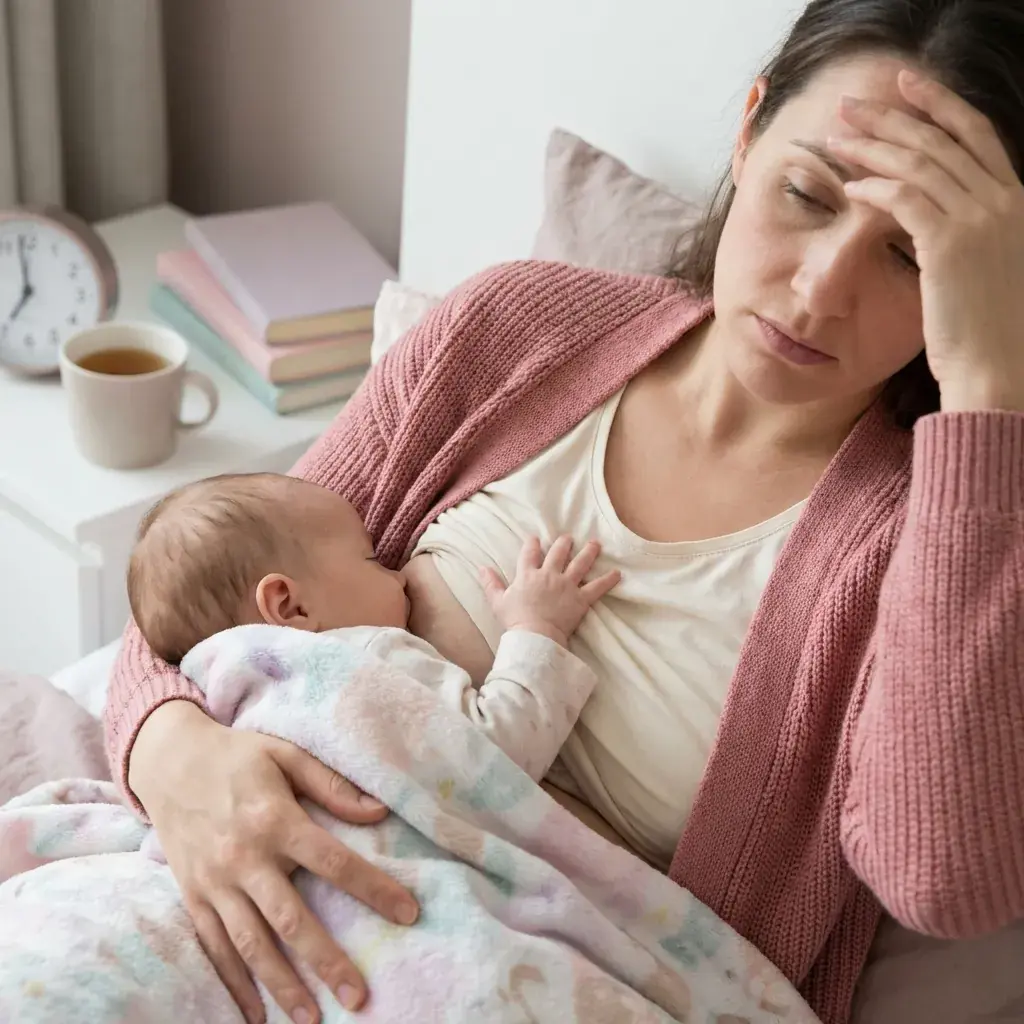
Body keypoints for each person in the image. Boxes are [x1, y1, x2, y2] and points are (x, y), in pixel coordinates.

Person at [105, 1, 1024, 1022]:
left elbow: (944, 880)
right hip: (250, 910)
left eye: (909, 257)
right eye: (805, 194)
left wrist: (986, 388)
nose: (818, 290)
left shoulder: (946, 538)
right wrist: (173, 753)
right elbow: (202, 604)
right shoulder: (511, 329)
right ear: (749, 128)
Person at [127, 472, 620, 788]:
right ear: (291, 606)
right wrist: (538, 627)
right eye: (372, 559)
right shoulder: (361, 658)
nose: (400, 574)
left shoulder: (215, 690)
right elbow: (496, 760)